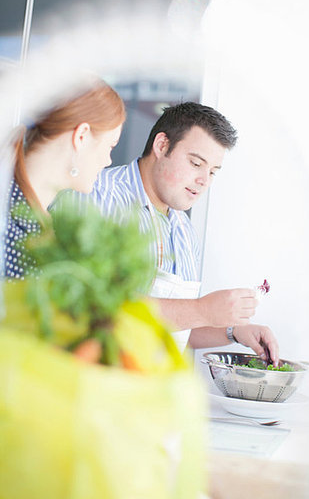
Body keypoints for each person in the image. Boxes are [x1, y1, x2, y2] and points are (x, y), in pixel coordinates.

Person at [87, 102, 279, 363]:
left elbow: (179, 329)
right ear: (162, 145)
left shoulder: (183, 230)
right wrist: (202, 309)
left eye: (212, 172)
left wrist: (234, 331)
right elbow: (93, 309)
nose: (204, 181)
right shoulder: (98, 196)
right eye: (196, 163)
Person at [4, 78, 125, 279]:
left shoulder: (35, 218)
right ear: (82, 136)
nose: (108, 161)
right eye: (110, 146)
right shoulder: (11, 228)